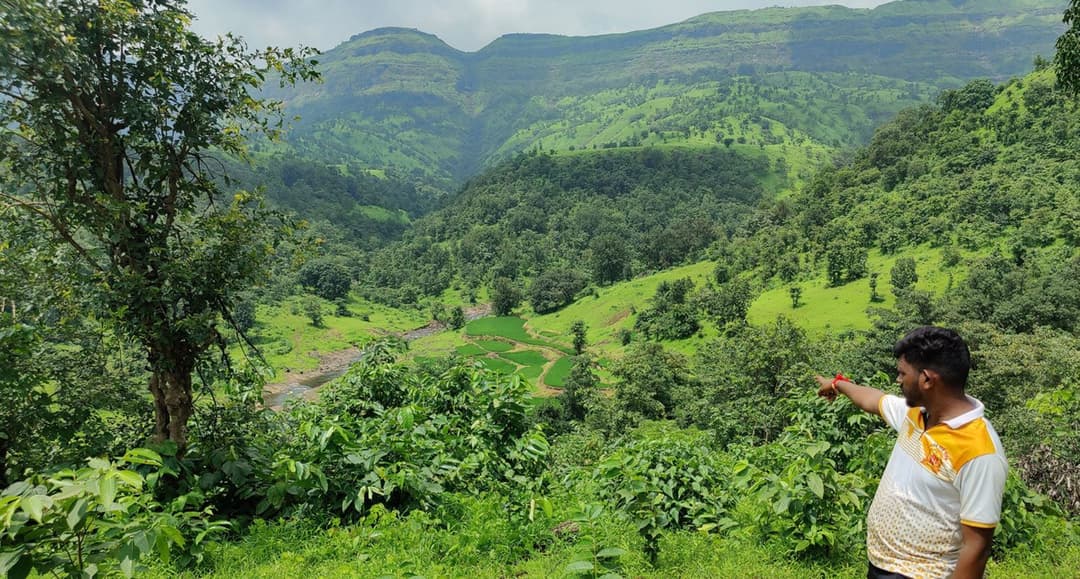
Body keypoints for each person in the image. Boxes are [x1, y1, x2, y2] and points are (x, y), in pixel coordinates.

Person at [815, 326, 1007, 579]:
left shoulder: (980, 451)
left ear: (927, 379)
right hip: (882, 565)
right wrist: (838, 385)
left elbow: (977, 547)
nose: (898, 381)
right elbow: (873, 400)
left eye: (902, 373)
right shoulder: (917, 414)